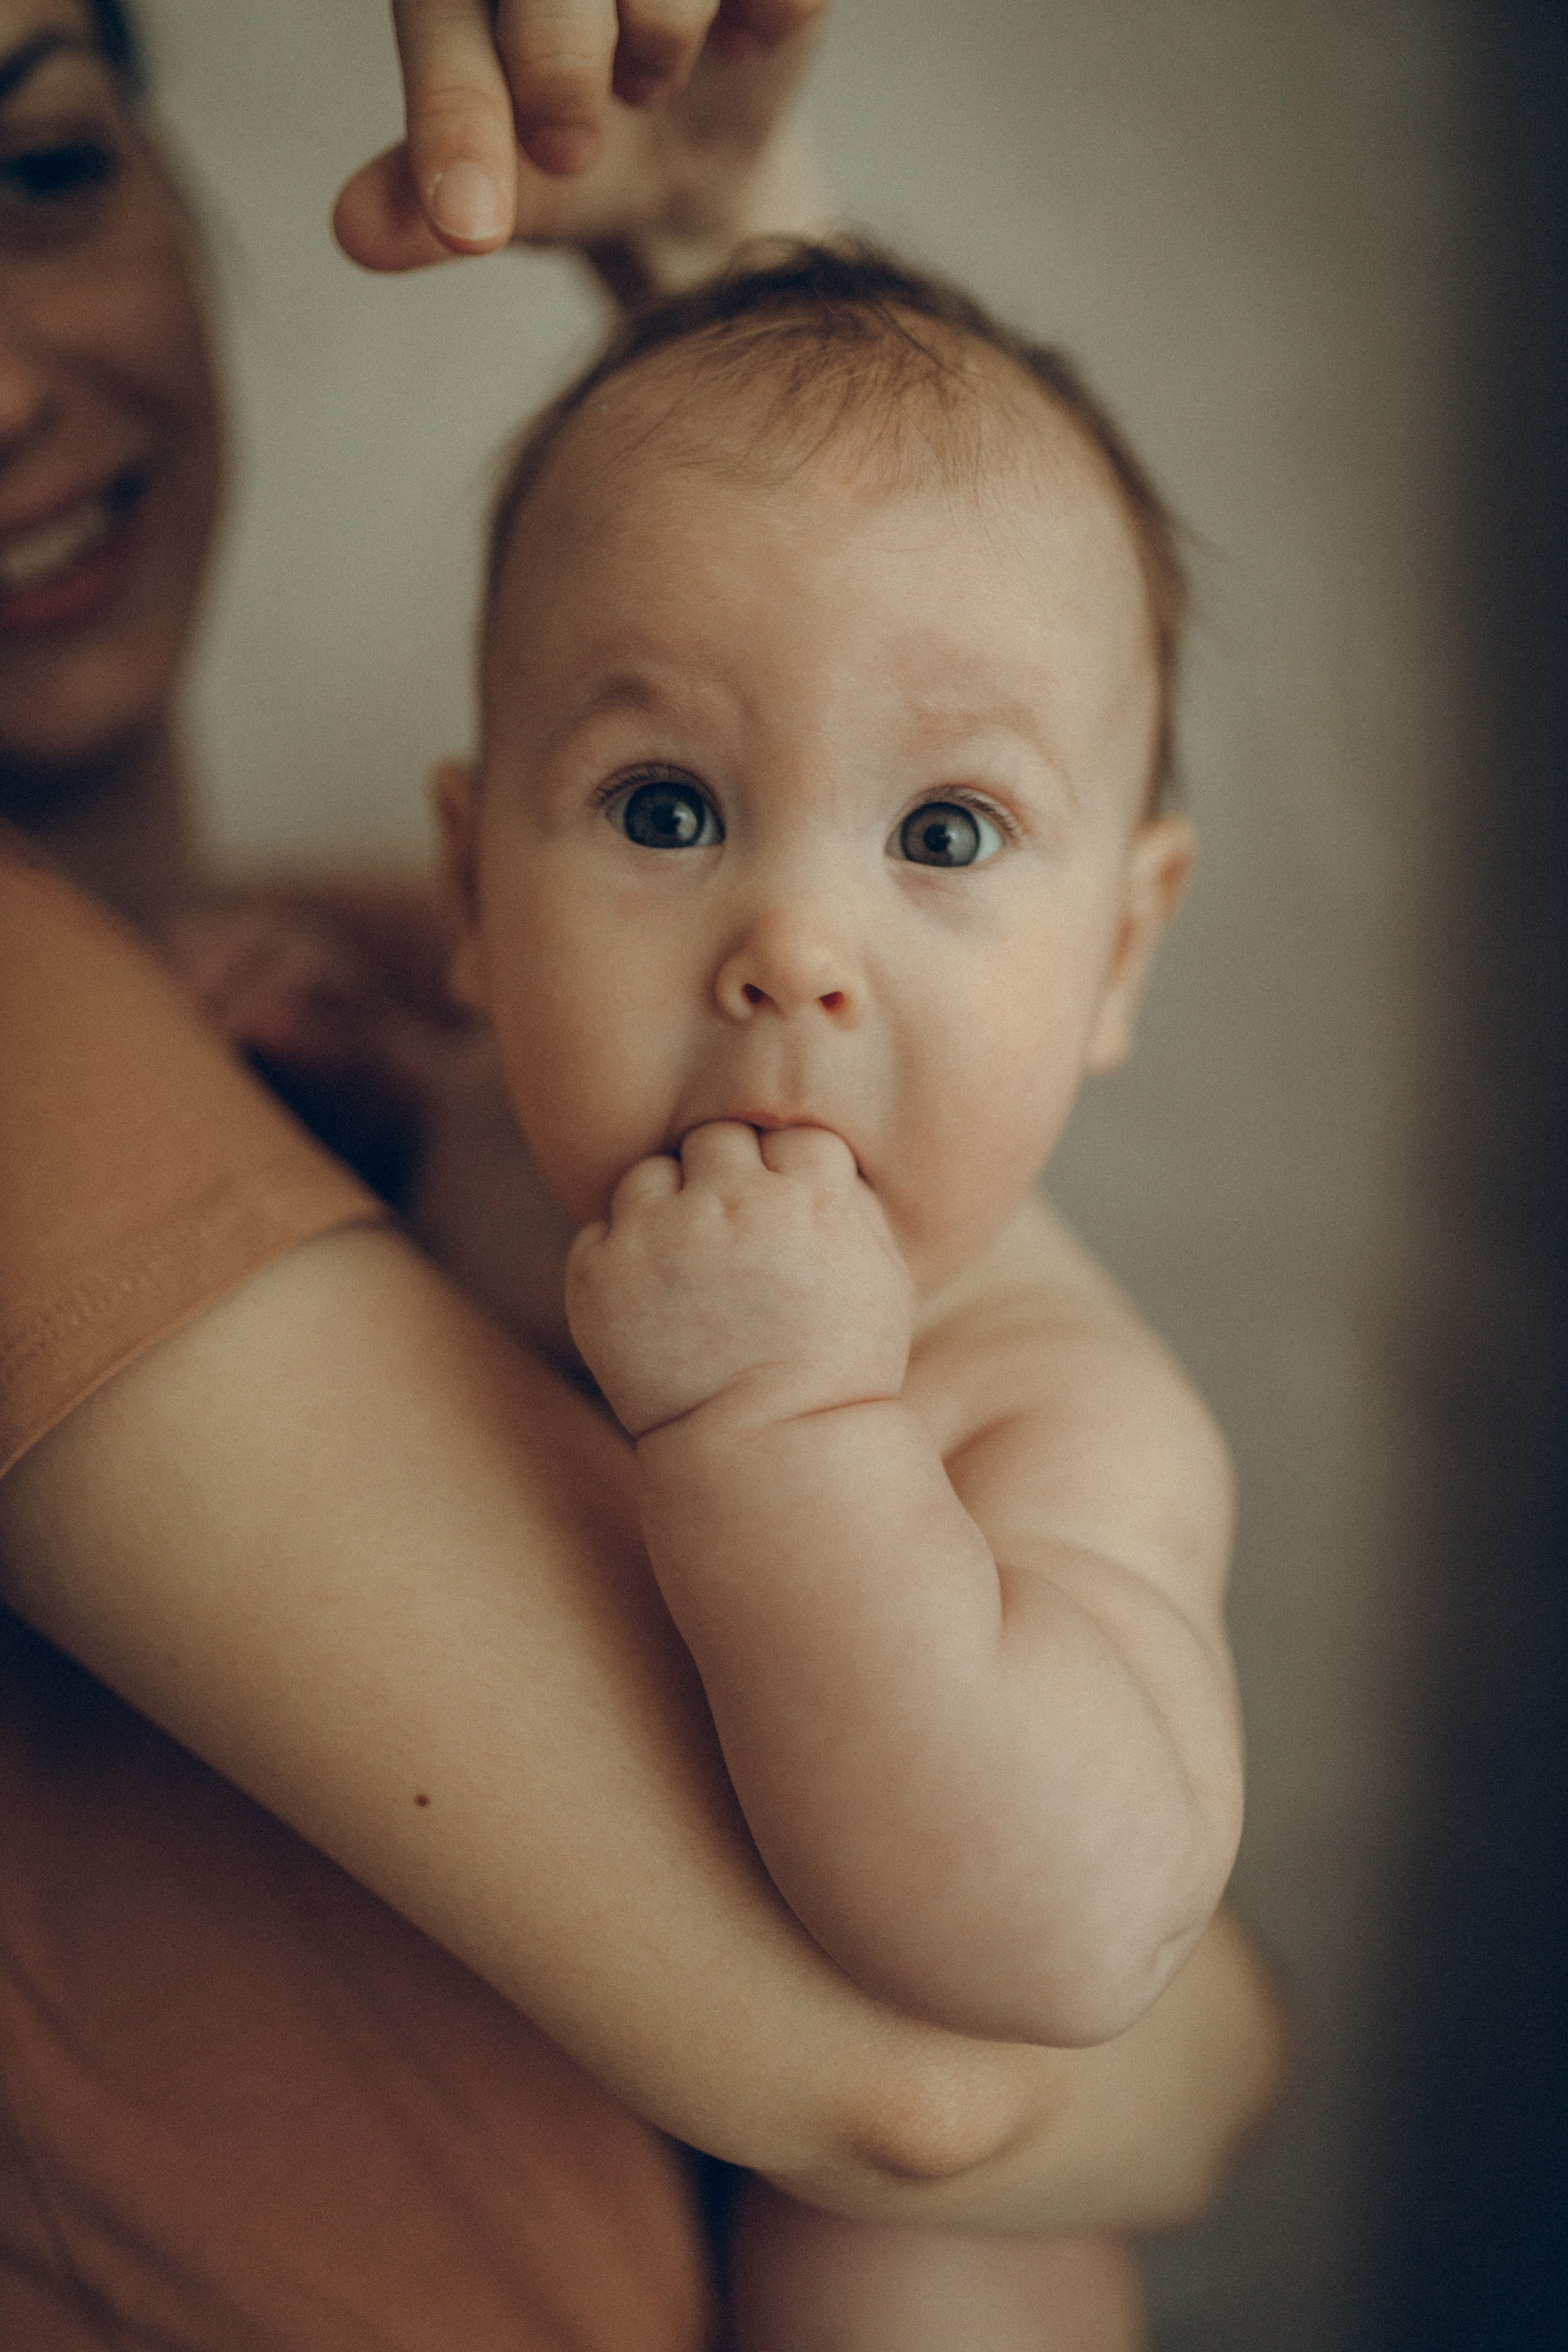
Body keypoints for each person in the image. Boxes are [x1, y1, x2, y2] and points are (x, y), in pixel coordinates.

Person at [0, 4, 1288, 2345]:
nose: (796, 949)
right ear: (478, 878)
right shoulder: (393, 1057)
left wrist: (716, 248)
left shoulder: (1058, 1421)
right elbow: (993, 2083)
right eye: (667, 818)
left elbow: (1081, 1949)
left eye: (947, 838)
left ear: (1126, 948)